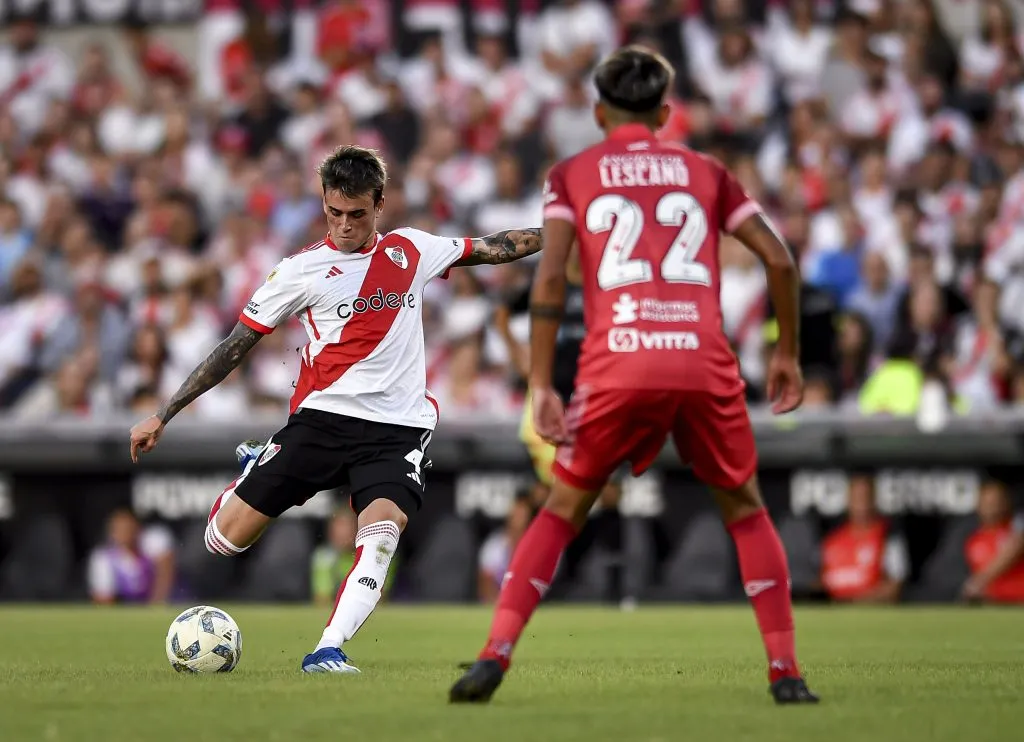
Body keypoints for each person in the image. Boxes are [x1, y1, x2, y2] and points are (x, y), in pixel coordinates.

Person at [451, 47, 817, 705]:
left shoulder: (572, 175)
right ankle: (785, 673)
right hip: (701, 359)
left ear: (597, 111)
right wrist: (785, 353)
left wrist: (540, 384)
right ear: (666, 113)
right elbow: (781, 260)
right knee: (746, 510)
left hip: (617, 360)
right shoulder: (706, 171)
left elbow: (549, 280)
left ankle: (494, 654)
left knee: (561, 509)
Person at [128, 145, 541, 674]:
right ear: (324, 204)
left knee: (383, 532)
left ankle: (328, 649)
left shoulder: (413, 250)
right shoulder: (300, 271)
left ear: (380, 204)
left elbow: (492, 248)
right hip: (323, 420)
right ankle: (256, 470)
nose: (345, 225)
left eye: (357, 214)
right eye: (334, 213)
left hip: (397, 428)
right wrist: (164, 413)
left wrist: (562, 230)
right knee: (223, 542)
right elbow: (234, 347)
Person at [819, 474, 909, 603]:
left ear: (874, 500)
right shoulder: (833, 540)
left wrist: (858, 602)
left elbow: (896, 584)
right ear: (848, 500)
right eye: (857, 498)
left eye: (866, 497)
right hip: (834, 612)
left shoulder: (888, 536)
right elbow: (821, 582)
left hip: (873, 612)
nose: (862, 504)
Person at [87, 509, 176, 604]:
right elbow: (103, 598)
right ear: (111, 533)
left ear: (138, 527)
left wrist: (155, 605)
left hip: (167, 603)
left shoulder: (153, 539)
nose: (124, 533)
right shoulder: (103, 557)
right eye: (119, 529)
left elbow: (165, 571)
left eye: (128, 528)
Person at [312, 507, 396, 605]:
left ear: (358, 529)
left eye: (345, 527)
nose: (341, 533)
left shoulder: (378, 555)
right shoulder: (324, 556)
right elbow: (322, 599)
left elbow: (380, 598)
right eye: (336, 528)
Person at [962, 477, 1024, 603]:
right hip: (993, 603)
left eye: (997, 502)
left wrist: (979, 580)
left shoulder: (1015, 528)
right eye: (988, 502)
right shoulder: (974, 539)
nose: (993, 507)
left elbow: (1015, 547)